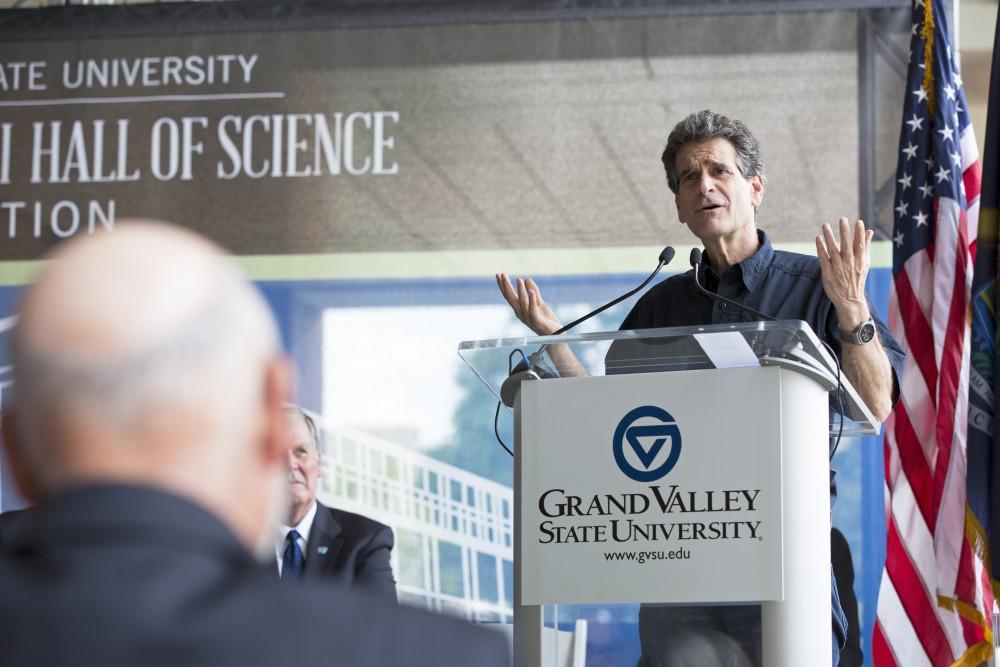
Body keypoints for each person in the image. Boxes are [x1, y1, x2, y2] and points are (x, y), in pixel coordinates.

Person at [497, 110, 905, 666]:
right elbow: (609, 417)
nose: (704, 185)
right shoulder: (661, 306)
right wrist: (555, 340)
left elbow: (876, 403)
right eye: (689, 177)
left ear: (754, 188)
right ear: (679, 206)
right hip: (677, 553)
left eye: (719, 171)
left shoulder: (817, 286)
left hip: (781, 551)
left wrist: (852, 309)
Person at [0, 221, 509, 667]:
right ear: (270, 415)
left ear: (15, 450)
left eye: (305, 452)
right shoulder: (433, 657)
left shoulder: (365, 541)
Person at [278, 405, 397, 601]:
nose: (291, 464)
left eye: (301, 452)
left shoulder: (366, 541)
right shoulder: (239, 546)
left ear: (318, 465)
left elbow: (384, 627)